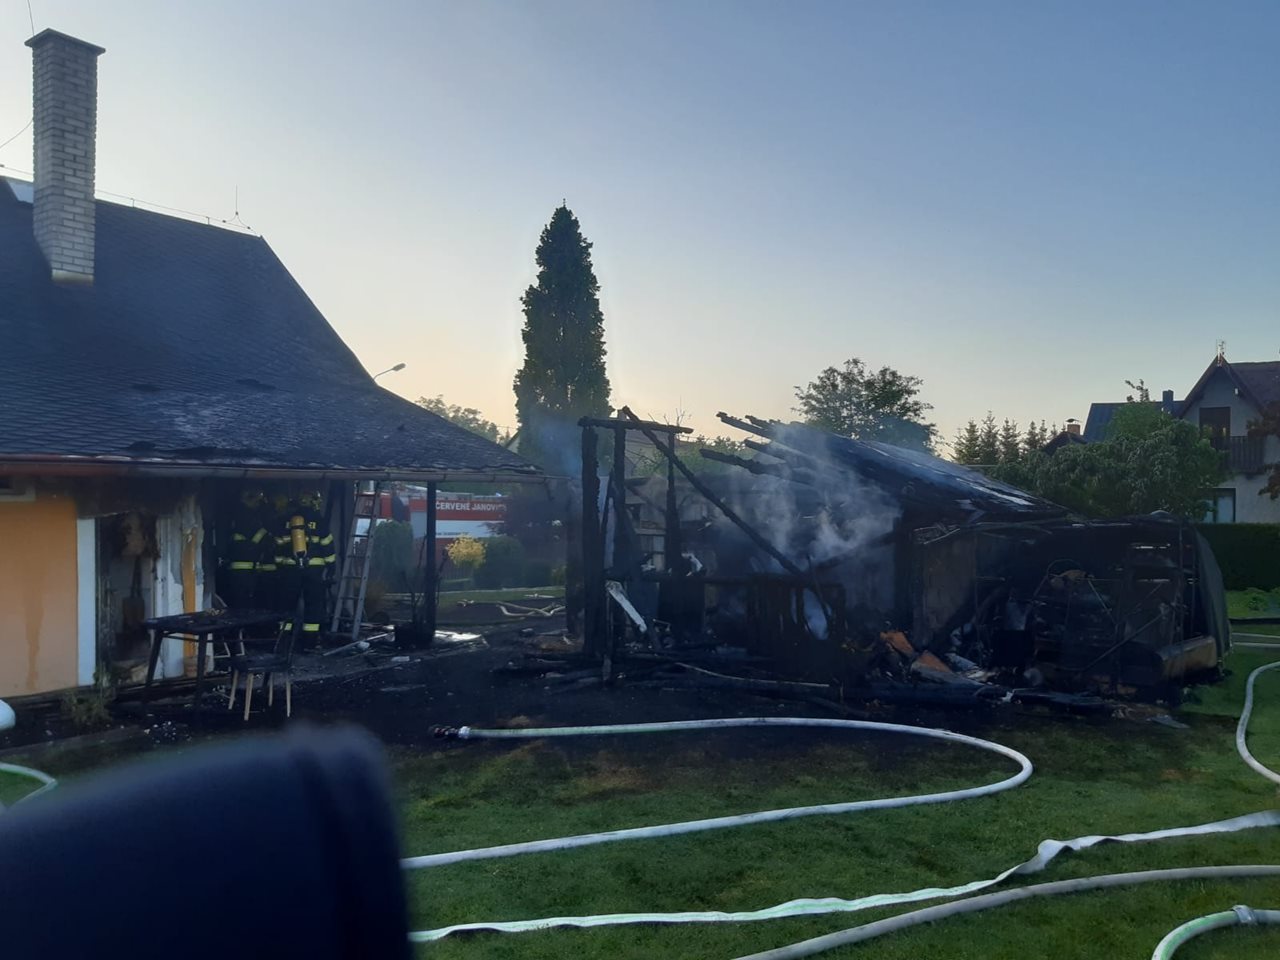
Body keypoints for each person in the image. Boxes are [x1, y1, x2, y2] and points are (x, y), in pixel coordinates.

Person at [276, 489, 336, 641]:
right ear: (314, 502)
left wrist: (280, 566)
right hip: (314, 571)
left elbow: (278, 544)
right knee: (314, 604)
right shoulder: (319, 520)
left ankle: (284, 639)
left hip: (290, 569)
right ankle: (310, 639)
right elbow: (327, 545)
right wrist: (331, 568)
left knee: (287, 604)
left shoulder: (287, 520)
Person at [224, 488, 272, 609]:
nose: (258, 505)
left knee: (241, 604)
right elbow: (257, 540)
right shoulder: (245, 516)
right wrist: (266, 530)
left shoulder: (236, 515)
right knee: (244, 605)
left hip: (241, 568)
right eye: (257, 501)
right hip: (245, 569)